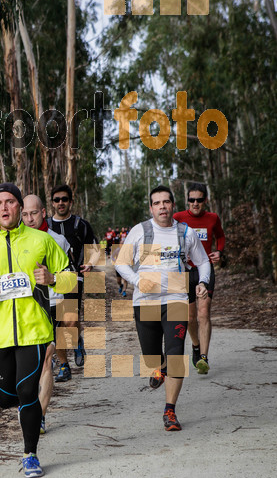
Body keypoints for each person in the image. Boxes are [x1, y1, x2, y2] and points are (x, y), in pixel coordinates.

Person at [0, 183, 76, 477]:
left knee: (27, 392)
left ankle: (30, 455)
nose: (4, 208)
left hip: (34, 330)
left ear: (19, 207)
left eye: (9, 202)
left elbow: (70, 278)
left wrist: (52, 279)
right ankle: (28, 411)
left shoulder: (41, 241)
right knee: (4, 397)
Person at [115, 186, 211, 432]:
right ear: (151, 208)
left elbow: (202, 261)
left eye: (166, 202)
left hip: (176, 299)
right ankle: (160, 366)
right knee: (152, 357)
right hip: (146, 301)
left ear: (172, 205)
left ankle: (170, 409)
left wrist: (202, 282)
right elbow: (122, 263)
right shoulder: (141, 231)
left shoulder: (185, 233)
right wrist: (138, 281)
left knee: (176, 354)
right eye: (157, 203)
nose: (162, 207)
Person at [21, 194, 73, 434]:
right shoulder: (14, 241)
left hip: (52, 304)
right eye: (24, 214)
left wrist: (53, 280)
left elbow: (71, 279)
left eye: (33, 213)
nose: (29, 218)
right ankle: (28, 406)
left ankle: (39, 416)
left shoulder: (58, 240)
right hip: (25, 309)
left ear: (43, 213)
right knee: (26, 364)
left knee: (45, 361)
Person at [47, 184, 98, 381]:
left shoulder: (81, 225)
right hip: (50, 281)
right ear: (52, 203)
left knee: (69, 320)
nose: (61, 203)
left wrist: (91, 264)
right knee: (58, 325)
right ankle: (64, 366)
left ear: (71, 202)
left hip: (73, 278)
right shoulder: (46, 226)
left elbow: (95, 248)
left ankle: (77, 340)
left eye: (64, 199)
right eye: (57, 199)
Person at [173, 183, 225, 374]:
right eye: (192, 199)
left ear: (205, 201)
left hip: (205, 270)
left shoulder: (212, 218)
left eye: (199, 200)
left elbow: (220, 237)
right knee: (190, 317)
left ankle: (203, 357)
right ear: (187, 200)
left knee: (204, 313)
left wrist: (219, 251)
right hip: (185, 271)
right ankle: (195, 345)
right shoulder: (178, 218)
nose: (195, 203)